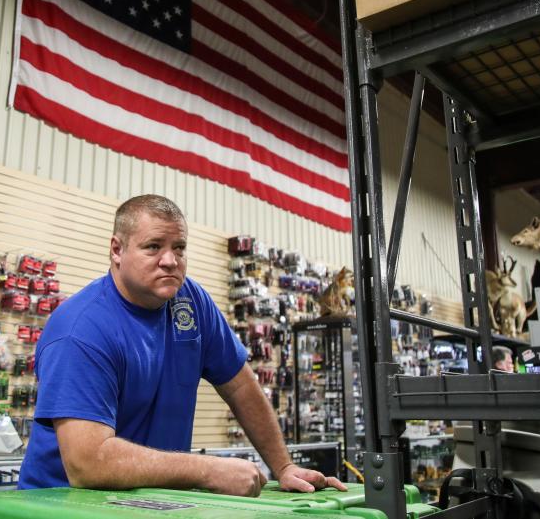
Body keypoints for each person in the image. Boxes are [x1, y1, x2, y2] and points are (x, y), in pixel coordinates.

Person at [18, 194, 346, 496]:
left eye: (179, 247)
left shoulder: (190, 302)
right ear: (117, 250)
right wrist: (206, 470)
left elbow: (241, 387)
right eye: (153, 246)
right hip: (64, 505)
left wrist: (284, 467)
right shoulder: (82, 330)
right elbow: (88, 463)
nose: (170, 260)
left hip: (147, 502)